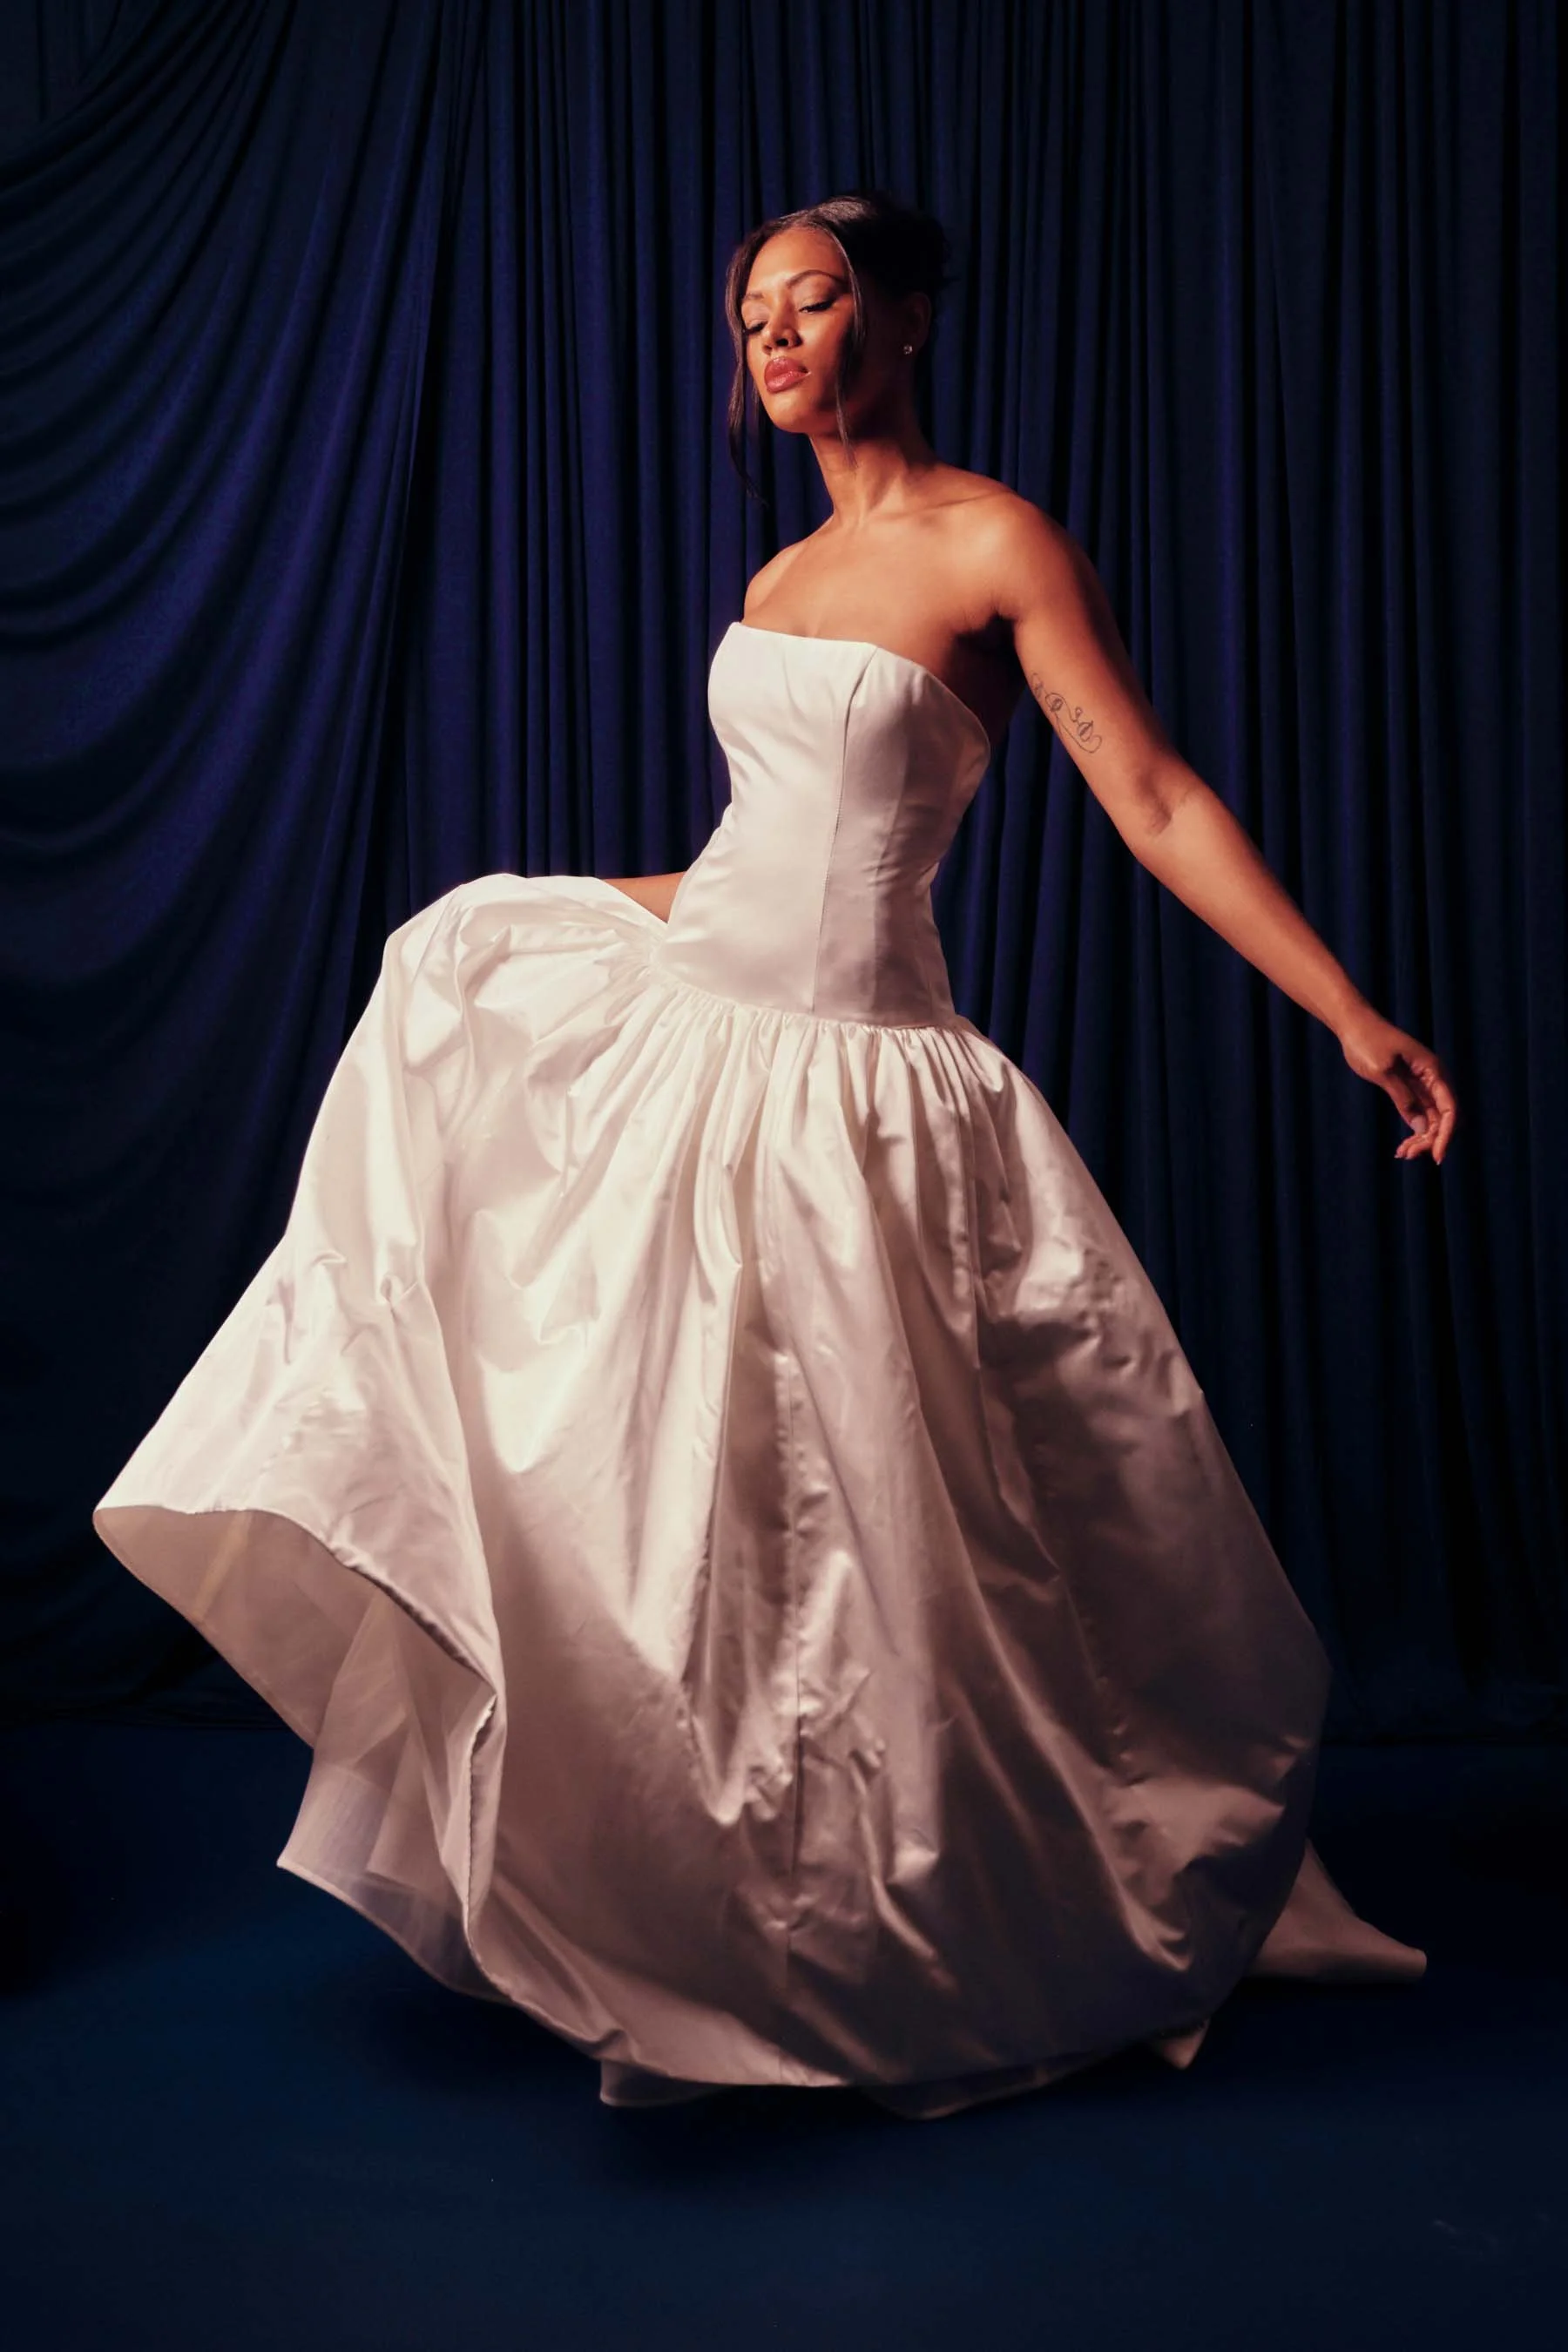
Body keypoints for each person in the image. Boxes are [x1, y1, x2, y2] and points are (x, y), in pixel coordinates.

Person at [95, 191, 1457, 2121]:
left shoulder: (993, 542)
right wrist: (546, 908)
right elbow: (756, 859)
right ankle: (711, 1913)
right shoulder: (774, 586)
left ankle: (936, 1914)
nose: (783, 338)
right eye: (755, 319)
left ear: (900, 321)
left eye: (817, 302)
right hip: (704, 1047)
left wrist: (1341, 1003)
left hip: (869, 1090)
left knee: (908, 1545)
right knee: (687, 1516)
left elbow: (1149, 794)